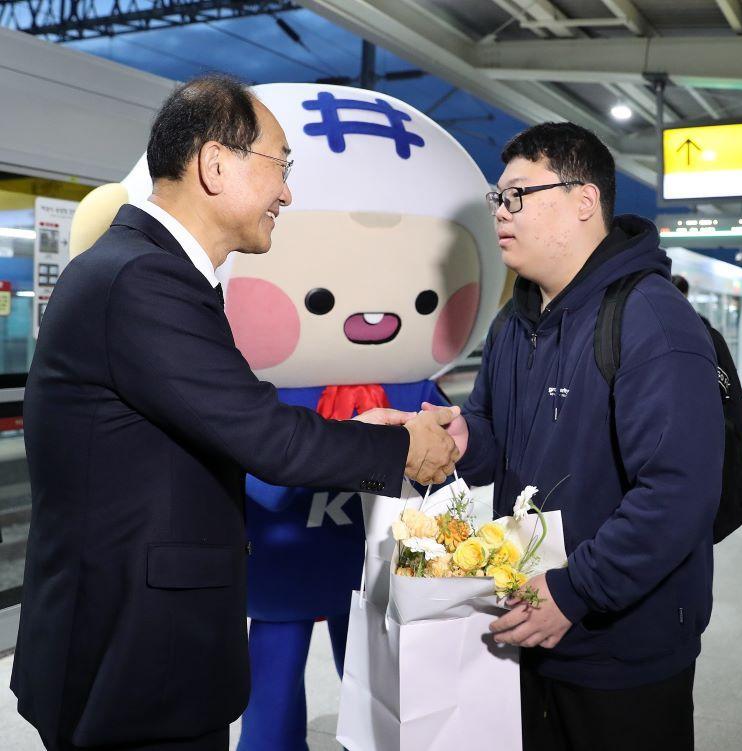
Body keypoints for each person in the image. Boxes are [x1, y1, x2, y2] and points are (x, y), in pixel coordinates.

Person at [11, 75, 460, 751]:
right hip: (132, 664)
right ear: (214, 165)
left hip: (140, 647)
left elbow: (223, 419)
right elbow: (266, 436)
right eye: (280, 166)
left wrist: (361, 431)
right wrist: (403, 454)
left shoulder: (143, 270)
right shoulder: (144, 280)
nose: (287, 192)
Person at [429, 123, 724, 751]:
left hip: (621, 646)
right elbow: (492, 432)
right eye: (497, 200)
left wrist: (575, 589)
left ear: (584, 200)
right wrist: (459, 440)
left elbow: (679, 492)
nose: (501, 214)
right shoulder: (516, 320)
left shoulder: (649, 319)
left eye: (517, 196)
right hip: (531, 620)